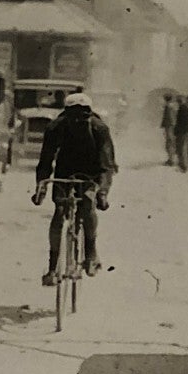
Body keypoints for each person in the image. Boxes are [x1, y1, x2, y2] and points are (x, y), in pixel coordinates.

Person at [33, 91, 117, 285]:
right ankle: (52, 268)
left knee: (88, 205)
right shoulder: (55, 127)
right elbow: (46, 160)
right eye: (73, 114)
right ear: (65, 113)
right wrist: (41, 187)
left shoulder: (100, 129)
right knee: (59, 211)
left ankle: (90, 254)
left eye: (83, 114)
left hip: (91, 172)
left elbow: (107, 165)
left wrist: (103, 192)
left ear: (90, 113)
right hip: (65, 171)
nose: (78, 119)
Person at [172, 94, 188, 172]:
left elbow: (180, 122)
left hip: (182, 131)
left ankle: (183, 166)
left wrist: (176, 131)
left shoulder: (182, 109)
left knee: (181, 149)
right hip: (186, 131)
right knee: (187, 148)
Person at [160, 93, 179, 165]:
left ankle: (171, 160)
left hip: (169, 126)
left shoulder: (168, 106)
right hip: (173, 126)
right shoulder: (174, 106)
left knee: (169, 142)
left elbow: (169, 117)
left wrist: (166, 126)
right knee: (172, 142)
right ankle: (172, 159)